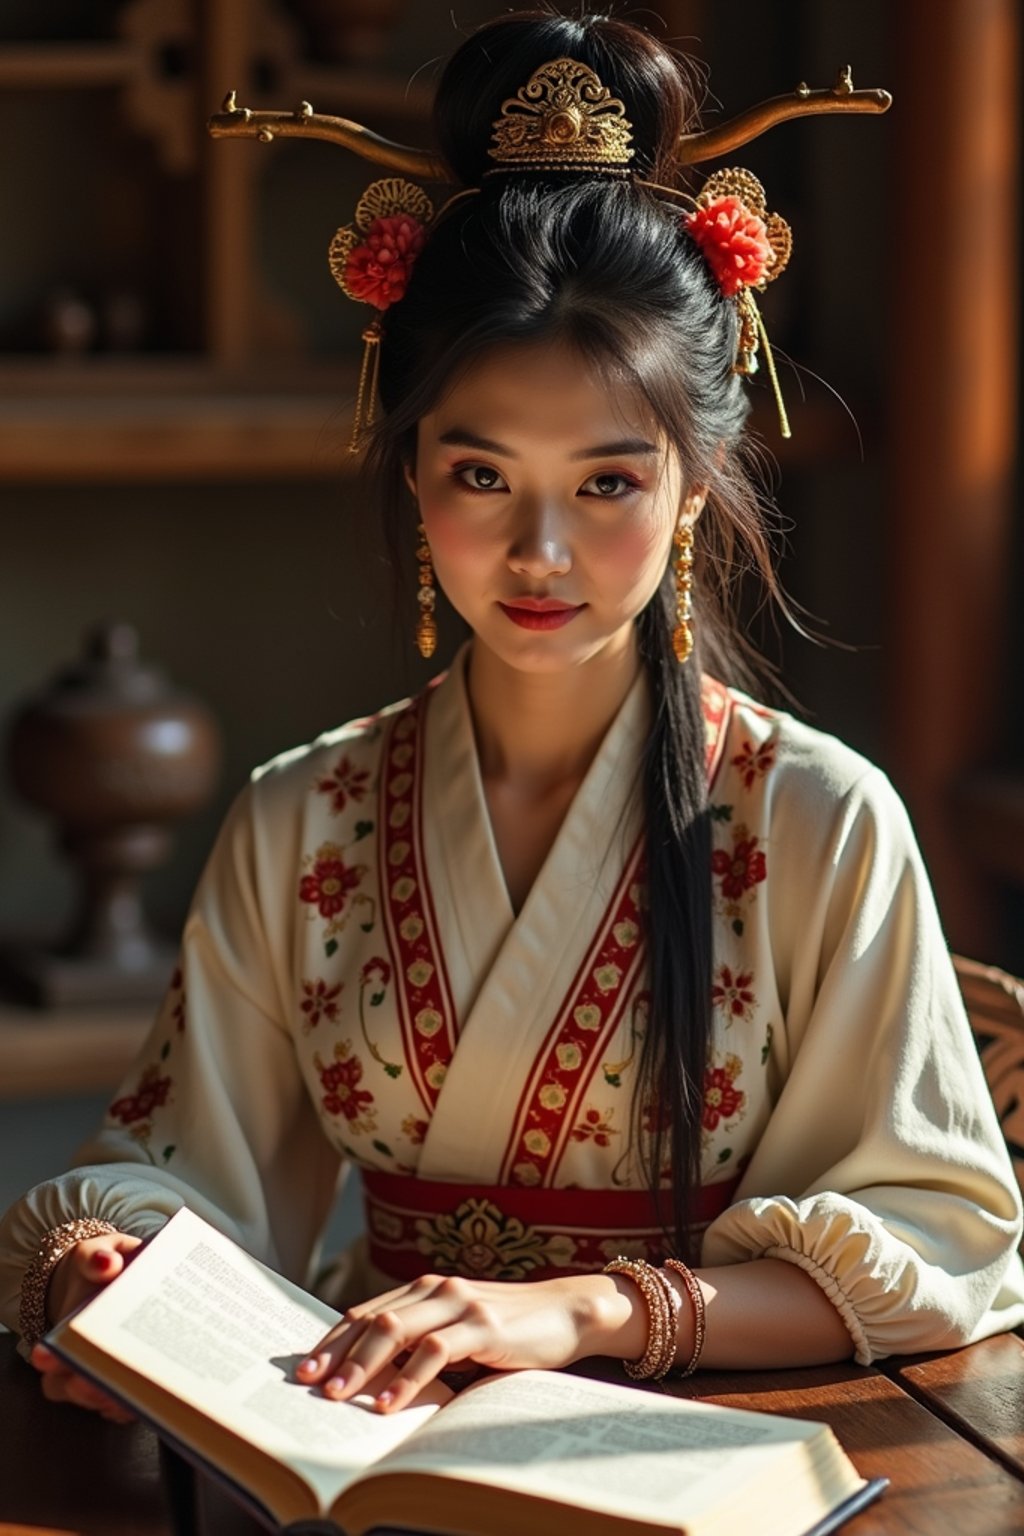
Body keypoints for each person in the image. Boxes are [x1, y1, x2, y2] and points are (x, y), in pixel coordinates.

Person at [3, 10, 1023, 1423]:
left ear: (692, 493)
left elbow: (937, 1245)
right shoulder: (304, 816)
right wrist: (107, 1266)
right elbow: (185, 1162)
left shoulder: (816, 818)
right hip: (375, 1438)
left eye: (608, 481)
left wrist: (586, 1310)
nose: (539, 551)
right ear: (412, 470)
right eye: (482, 476)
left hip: (714, 1455)